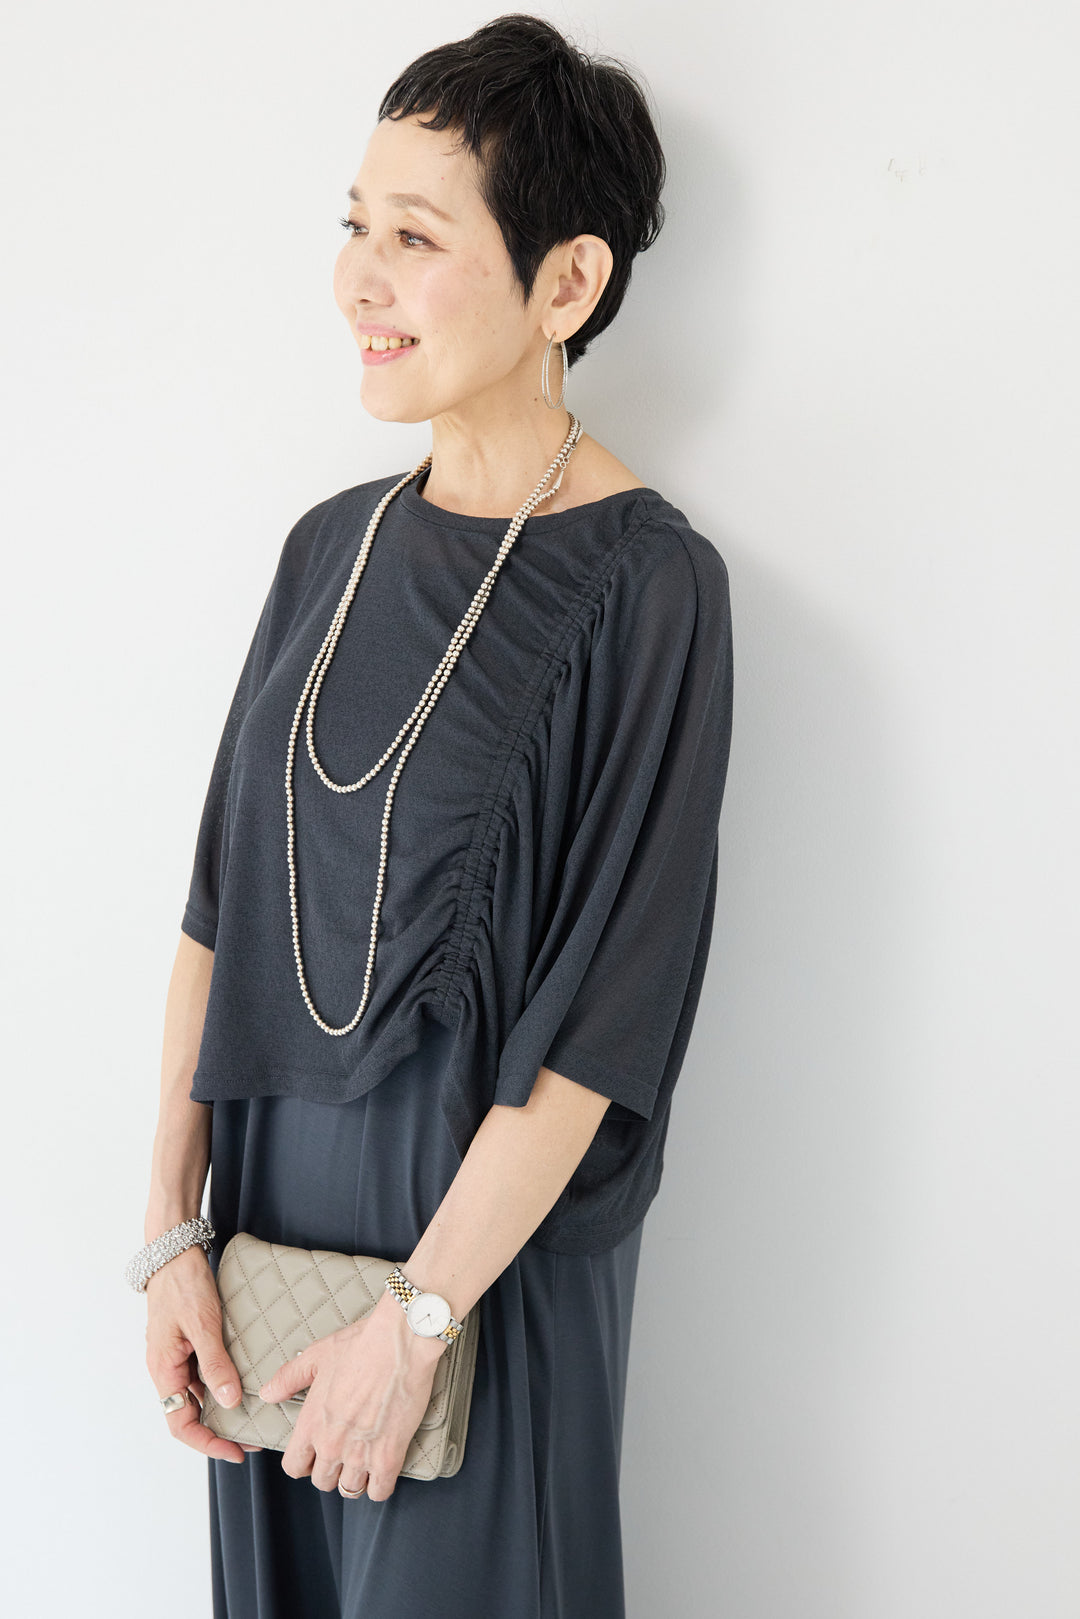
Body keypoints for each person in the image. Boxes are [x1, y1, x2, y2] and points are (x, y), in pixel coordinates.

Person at [131, 14, 734, 1618]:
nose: (359, 280)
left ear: (567, 282)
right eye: (355, 226)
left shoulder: (649, 589)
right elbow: (216, 913)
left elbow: (605, 1028)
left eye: (415, 236)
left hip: (476, 1286)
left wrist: (416, 1326)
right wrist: (170, 1235)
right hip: (265, 1265)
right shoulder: (326, 551)